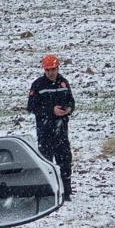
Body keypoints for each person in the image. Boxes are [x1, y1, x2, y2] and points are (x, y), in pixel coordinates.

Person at [27, 54, 75, 201]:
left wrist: (69, 109)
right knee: (46, 162)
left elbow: (72, 101)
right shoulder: (38, 85)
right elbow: (31, 106)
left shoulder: (64, 83)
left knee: (65, 160)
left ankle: (66, 191)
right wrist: (50, 110)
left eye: (53, 69)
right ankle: (47, 191)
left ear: (57, 68)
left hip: (61, 131)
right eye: (47, 70)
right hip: (45, 131)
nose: (50, 73)